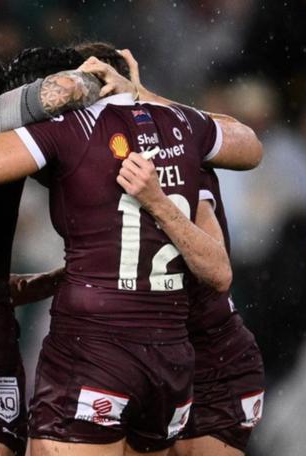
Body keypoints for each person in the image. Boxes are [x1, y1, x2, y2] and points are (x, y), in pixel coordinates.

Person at [0, 43, 262, 455]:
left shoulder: (69, 129)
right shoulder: (184, 132)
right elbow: (251, 146)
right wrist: (140, 95)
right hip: (174, 354)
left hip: (100, 349)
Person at [115, 50, 266, 456]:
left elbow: (250, 145)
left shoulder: (179, 156)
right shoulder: (84, 159)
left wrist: (141, 93)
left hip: (211, 356)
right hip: (141, 355)